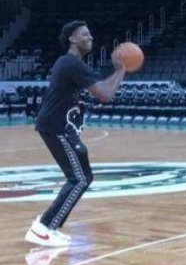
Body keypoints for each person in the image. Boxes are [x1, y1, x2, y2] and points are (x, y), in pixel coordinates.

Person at [26, 21, 127, 248]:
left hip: (59, 127)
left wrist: (117, 73)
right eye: (85, 34)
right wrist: (120, 71)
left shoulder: (72, 64)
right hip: (56, 127)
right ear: (73, 39)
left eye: (90, 33)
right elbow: (105, 94)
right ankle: (42, 228)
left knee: (83, 177)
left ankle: (50, 226)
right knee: (79, 178)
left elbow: (103, 87)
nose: (90, 37)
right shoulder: (71, 63)